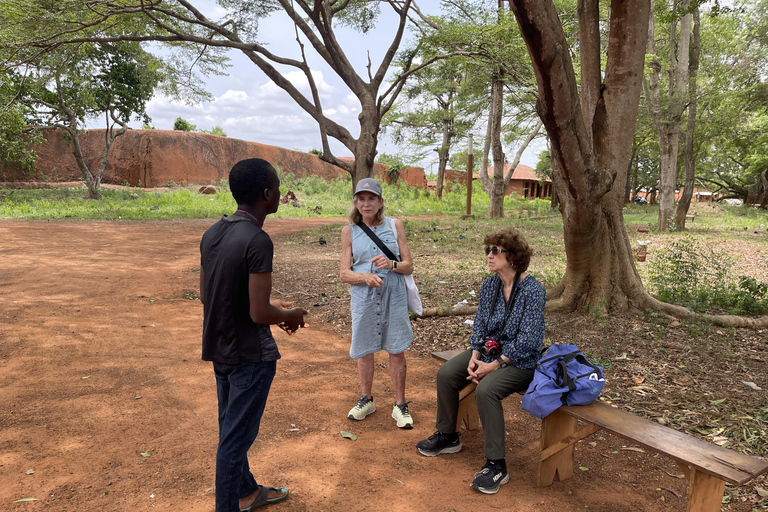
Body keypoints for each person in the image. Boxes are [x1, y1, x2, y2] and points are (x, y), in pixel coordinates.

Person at [199, 158, 308, 512]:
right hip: (250, 356)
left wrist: (269, 307)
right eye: (277, 186)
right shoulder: (258, 240)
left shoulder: (213, 232)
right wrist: (288, 314)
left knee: (230, 430)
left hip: (221, 350)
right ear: (266, 194)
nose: (279, 192)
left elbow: (209, 294)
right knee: (234, 441)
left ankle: (246, 490)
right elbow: (259, 314)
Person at [416, 227, 545, 495]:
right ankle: (448, 436)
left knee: (486, 390)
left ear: (513, 257)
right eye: (487, 249)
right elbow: (481, 325)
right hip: (489, 352)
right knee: (447, 373)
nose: (488, 255)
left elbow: (529, 341)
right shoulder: (490, 285)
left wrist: (493, 365)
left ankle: (497, 464)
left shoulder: (533, 291)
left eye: (495, 250)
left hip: (521, 361)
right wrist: (475, 356)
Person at [340, 178, 415, 429]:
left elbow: (408, 265)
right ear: (356, 202)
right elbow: (344, 273)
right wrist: (363, 276)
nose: (366, 203)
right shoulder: (349, 231)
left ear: (380, 202)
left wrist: (391, 265)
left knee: (396, 349)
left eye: (371, 198)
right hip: (364, 297)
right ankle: (366, 399)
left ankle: (400, 404)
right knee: (364, 349)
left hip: (393, 294)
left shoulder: (395, 226)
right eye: (361, 199)